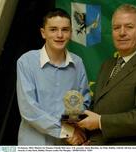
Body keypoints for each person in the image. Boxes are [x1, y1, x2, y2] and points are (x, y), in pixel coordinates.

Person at [78, 4, 136, 145]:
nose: (121, 32)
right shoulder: (107, 65)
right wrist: (80, 131)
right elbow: (98, 108)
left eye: (129, 27)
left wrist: (100, 122)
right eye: (116, 28)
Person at [16, 8, 90, 145]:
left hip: (67, 144)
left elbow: (83, 103)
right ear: (43, 33)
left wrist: (73, 129)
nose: (59, 35)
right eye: (53, 29)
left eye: (65, 30)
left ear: (71, 33)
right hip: (34, 144)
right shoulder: (26, 62)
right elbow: (28, 109)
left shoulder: (78, 63)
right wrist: (65, 131)